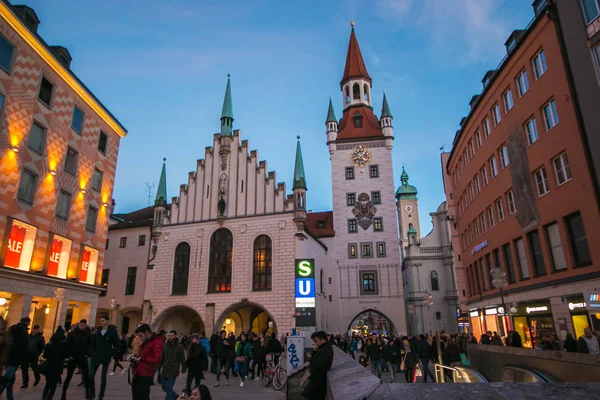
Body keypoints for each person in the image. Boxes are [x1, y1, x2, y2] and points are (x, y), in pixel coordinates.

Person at [89, 317, 120, 400]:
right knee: (91, 375)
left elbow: (117, 344)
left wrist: (111, 353)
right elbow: (92, 344)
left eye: (103, 321)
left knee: (103, 377)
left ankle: (101, 394)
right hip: (96, 356)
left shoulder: (112, 332)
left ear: (107, 321)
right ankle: (92, 392)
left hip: (106, 356)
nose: (101, 322)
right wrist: (92, 353)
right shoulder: (97, 332)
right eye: (100, 321)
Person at [61, 319, 92, 400]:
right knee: (69, 376)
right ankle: (63, 394)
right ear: (78, 325)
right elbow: (67, 344)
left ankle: (88, 394)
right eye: (81, 325)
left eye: (84, 325)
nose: (82, 327)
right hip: (73, 357)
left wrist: (87, 354)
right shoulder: (73, 333)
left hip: (83, 357)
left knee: (86, 376)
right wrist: (69, 355)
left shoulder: (88, 333)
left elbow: (90, 345)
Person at [0, 317, 30, 400]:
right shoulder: (23, 332)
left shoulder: (12, 328)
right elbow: (24, 348)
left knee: (10, 379)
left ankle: (10, 397)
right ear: (27, 322)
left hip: (8, 358)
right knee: (8, 379)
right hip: (15, 359)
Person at [131, 324, 163, 400]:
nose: (140, 338)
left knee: (143, 397)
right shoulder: (145, 341)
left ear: (146, 332)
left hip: (145, 374)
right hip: (137, 372)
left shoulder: (156, 342)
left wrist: (142, 358)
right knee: (135, 395)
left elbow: (157, 359)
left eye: (141, 335)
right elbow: (141, 355)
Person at [302, 331, 334, 400]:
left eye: (316, 341)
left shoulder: (325, 350)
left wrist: (310, 358)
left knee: (308, 395)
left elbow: (317, 364)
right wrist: (315, 351)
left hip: (319, 380)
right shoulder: (323, 348)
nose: (315, 343)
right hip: (317, 378)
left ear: (322, 339)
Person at [41, 327, 67, 400]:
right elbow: (65, 356)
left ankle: (44, 397)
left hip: (48, 366)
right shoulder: (62, 345)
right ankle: (49, 398)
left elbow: (44, 356)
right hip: (57, 366)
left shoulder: (49, 345)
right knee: (53, 385)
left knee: (48, 384)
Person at [159, 330, 186, 400]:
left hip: (173, 369)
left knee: (168, 387)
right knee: (164, 387)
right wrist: (158, 367)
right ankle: (177, 396)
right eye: (169, 336)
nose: (170, 337)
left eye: (171, 336)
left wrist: (183, 368)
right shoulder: (165, 345)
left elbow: (182, 358)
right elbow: (162, 357)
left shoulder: (179, 346)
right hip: (165, 369)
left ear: (175, 336)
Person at [22, 324, 45, 388]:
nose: (37, 331)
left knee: (34, 368)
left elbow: (42, 347)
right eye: (36, 330)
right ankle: (25, 383)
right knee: (24, 369)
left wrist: (38, 353)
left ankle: (37, 378)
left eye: (38, 330)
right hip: (26, 354)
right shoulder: (28, 336)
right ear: (33, 330)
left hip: (34, 354)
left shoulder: (40, 337)